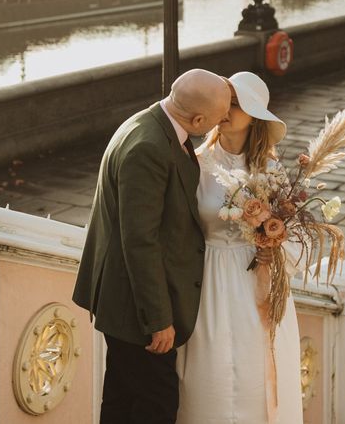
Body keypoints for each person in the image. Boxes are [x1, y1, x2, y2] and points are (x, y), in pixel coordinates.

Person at [73, 68, 232, 424]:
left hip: (125, 299)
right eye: (219, 119)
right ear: (199, 119)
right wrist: (159, 320)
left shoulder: (151, 121)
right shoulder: (149, 147)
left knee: (122, 399)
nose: (222, 124)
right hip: (135, 307)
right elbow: (139, 241)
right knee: (157, 403)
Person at [177, 71, 303, 424]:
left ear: (255, 118)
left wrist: (273, 248)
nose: (227, 109)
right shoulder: (195, 163)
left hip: (256, 282)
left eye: (237, 104)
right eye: (226, 101)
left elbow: (293, 238)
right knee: (209, 377)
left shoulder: (273, 171)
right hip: (208, 282)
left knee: (255, 375)